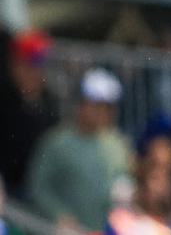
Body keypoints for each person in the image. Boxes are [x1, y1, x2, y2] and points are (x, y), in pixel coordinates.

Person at [27, 67, 132, 232]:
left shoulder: (118, 144)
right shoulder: (56, 142)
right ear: (81, 104)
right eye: (96, 105)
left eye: (107, 107)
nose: (101, 112)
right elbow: (38, 186)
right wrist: (58, 214)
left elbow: (125, 179)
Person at [0, 29, 58, 197]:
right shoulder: (5, 98)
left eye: (38, 65)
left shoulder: (49, 101)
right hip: (7, 186)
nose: (35, 71)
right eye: (27, 64)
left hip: (35, 187)